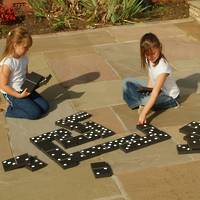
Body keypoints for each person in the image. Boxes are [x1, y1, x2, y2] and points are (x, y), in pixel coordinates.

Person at [123, 32, 180, 124]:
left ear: (160, 48)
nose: (150, 57)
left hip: (170, 97)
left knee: (148, 100)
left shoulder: (163, 68)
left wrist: (144, 113)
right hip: (156, 91)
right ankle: (143, 102)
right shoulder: (148, 59)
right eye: (147, 54)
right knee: (127, 83)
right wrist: (147, 91)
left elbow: (155, 93)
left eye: (153, 53)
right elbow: (151, 78)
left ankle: (143, 103)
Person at [0, 26, 49, 119]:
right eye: (25, 47)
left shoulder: (24, 57)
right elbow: (3, 86)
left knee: (45, 107)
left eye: (28, 47)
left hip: (24, 88)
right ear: (15, 45)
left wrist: (37, 81)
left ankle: (25, 103)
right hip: (12, 93)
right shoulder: (8, 63)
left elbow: (25, 74)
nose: (27, 50)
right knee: (35, 113)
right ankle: (9, 110)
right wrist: (18, 95)